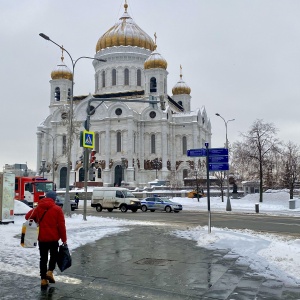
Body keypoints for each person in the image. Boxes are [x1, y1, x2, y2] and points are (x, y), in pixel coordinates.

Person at [25, 191, 67, 288]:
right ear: (54, 199)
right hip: (53, 238)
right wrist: (64, 239)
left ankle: (43, 280)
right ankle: (50, 272)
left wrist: (35, 210)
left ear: (45, 197)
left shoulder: (39, 208)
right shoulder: (57, 209)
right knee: (54, 256)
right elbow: (61, 226)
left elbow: (27, 217)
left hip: (42, 238)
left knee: (43, 258)